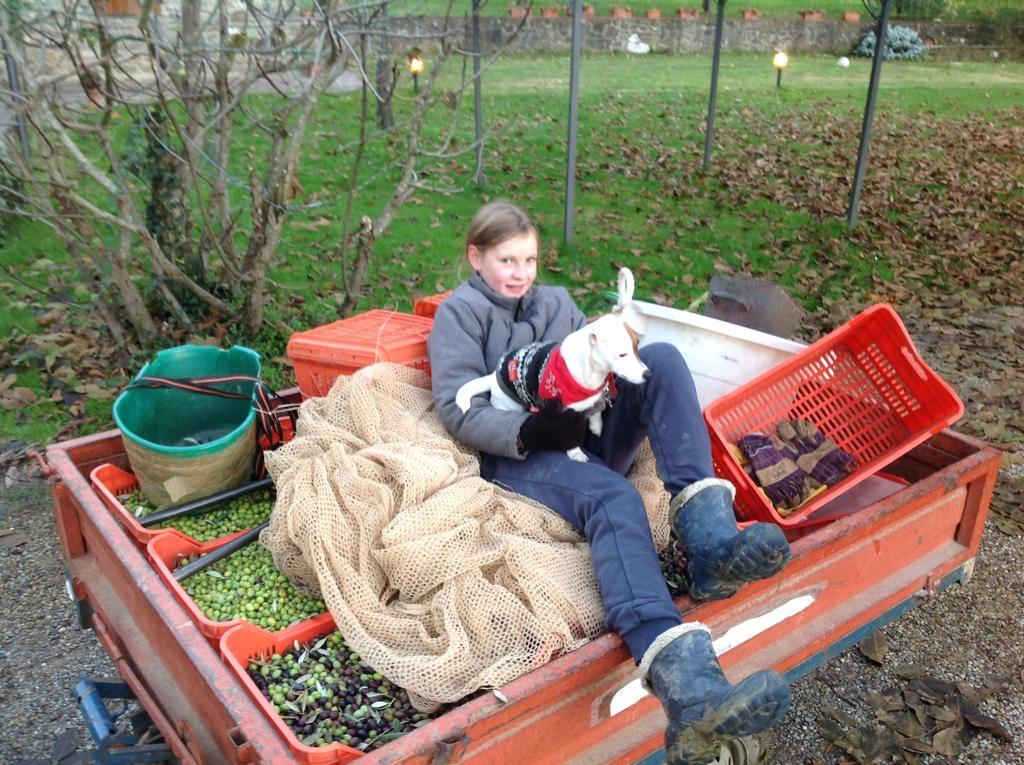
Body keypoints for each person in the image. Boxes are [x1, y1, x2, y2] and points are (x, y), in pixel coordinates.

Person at [427, 200, 793, 765]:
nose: (520, 271)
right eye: (505, 260)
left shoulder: (557, 303)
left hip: (584, 431)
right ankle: (690, 695)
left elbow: (602, 364)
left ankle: (712, 545)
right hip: (520, 454)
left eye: (528, 258)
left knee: (665, 359)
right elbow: (457, 407)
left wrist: (611, 383)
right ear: (476, 258)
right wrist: (531, 428)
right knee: (616, 496)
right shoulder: (460, 315)